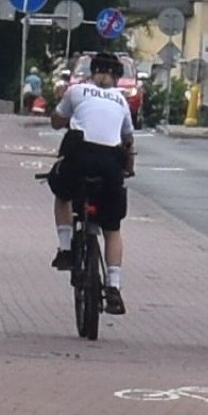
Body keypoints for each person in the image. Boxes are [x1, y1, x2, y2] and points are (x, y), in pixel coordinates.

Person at [46, 52, 135, 316]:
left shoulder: (77, 91)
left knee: (61, 193)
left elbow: (56, 121)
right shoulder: (121, 100)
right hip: (110, 164)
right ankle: (114, 287)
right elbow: (128, 140)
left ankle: (64, 249)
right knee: (112, 227)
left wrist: (64, 118)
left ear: (91, 72)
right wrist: (128, 169)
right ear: (117, 77)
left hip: (80, 159)